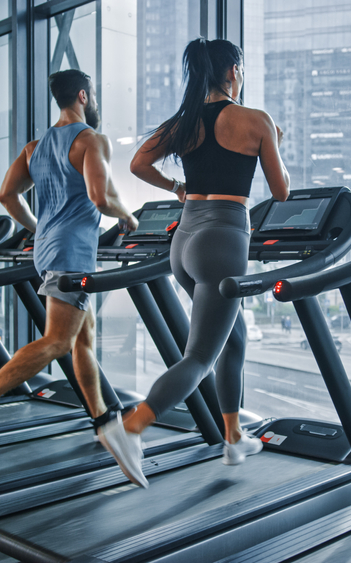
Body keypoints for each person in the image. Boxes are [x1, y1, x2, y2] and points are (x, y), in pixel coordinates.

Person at [96, 37, 290, 488]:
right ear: (231, 71)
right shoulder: (256, 120)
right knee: (201, 355)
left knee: (232, 338)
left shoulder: (184, 123)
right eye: (238, 70)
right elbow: (281, 193)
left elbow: (139, 163)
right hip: (223, 238)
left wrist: (177, 188)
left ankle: (233, 436)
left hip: (184, 241)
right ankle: (130, 429)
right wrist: (274, 143)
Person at [0, 69, 139, 455]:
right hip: (72, 254)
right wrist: (129, 217)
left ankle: (103, 418)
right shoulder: (91, 140)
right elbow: (99, 196)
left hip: (48, 251)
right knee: (57, 341)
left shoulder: (34, 148)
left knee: (80, 338)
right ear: (84, 96)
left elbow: (7, 196)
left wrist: (39, 228)